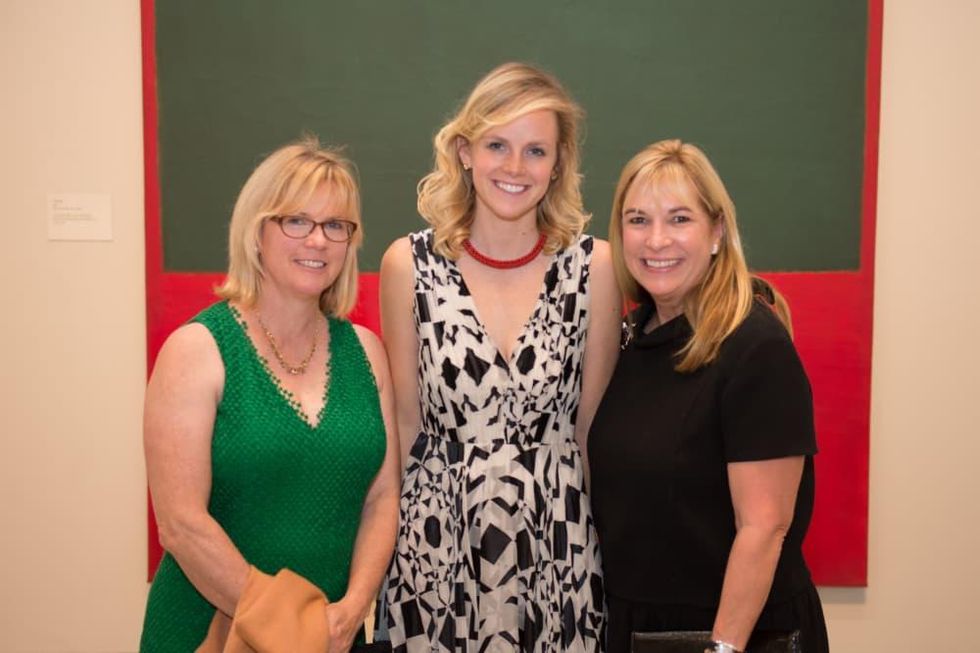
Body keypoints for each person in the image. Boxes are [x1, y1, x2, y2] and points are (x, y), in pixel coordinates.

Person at [381, 62, 621, 652]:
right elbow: (405, 429)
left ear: (558, 163)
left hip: (560, 546)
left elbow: (592, 433)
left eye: (535, 150)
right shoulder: (408, 265)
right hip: (436, 550)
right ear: (465, 152)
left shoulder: (594, 268)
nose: (515, 167)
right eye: (497, 145)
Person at [139, 137, 400, 652]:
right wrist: (290, 628)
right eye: (296, 221)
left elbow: (382, 497)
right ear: (257, 232)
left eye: (336, 225)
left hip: (333, 634)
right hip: (210, 632)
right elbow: (181, 525)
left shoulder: (367, 353)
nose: (318, 240)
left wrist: (351, 611)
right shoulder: (199, 350)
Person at [588, 140, 829, 653]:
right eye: (638, 220)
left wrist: (722, 648)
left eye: (679, 219)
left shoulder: (755, 346)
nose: (656, 240)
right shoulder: (632, 339)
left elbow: (765, 527)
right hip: (636, 626)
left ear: (717, 231)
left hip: (734, 633)